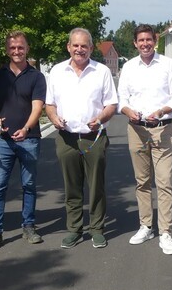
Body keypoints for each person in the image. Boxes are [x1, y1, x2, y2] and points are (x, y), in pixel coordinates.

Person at [46, 28, 118, 249]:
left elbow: (112, 105)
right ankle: (74, 229)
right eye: (75, 45)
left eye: (84, 45)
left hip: (93, 138)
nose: (79, 49)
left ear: (91, 48)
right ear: (69, 47)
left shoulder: (102, 71)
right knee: (72, 186)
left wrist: (100, 118)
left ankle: (97, 229)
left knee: (96, 185)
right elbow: (50, 104)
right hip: (66, 138)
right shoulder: (57, 71)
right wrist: (54, 118)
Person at [118, 24, 172, 255]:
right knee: (142, 181)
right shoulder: (128, 67)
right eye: (140, 40)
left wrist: (161, 111)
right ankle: (146, 225)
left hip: (162, 130)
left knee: (164, 182)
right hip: (136, 130)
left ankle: (165, 232)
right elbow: (122, 99)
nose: (145, 43)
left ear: (155, 41)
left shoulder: (168, 65)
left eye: (149, 39)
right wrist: (128, 112)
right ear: (135, 43)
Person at [0, 31, 46, 252]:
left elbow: (38, 106)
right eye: (12, 48)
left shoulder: (37, 77)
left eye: (20, 47)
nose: (17, 51)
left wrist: (26, 128)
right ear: (7, 50)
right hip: (3, 140)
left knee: (29, 185)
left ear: (27, 48)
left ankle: (28, 226)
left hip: (29, 139)